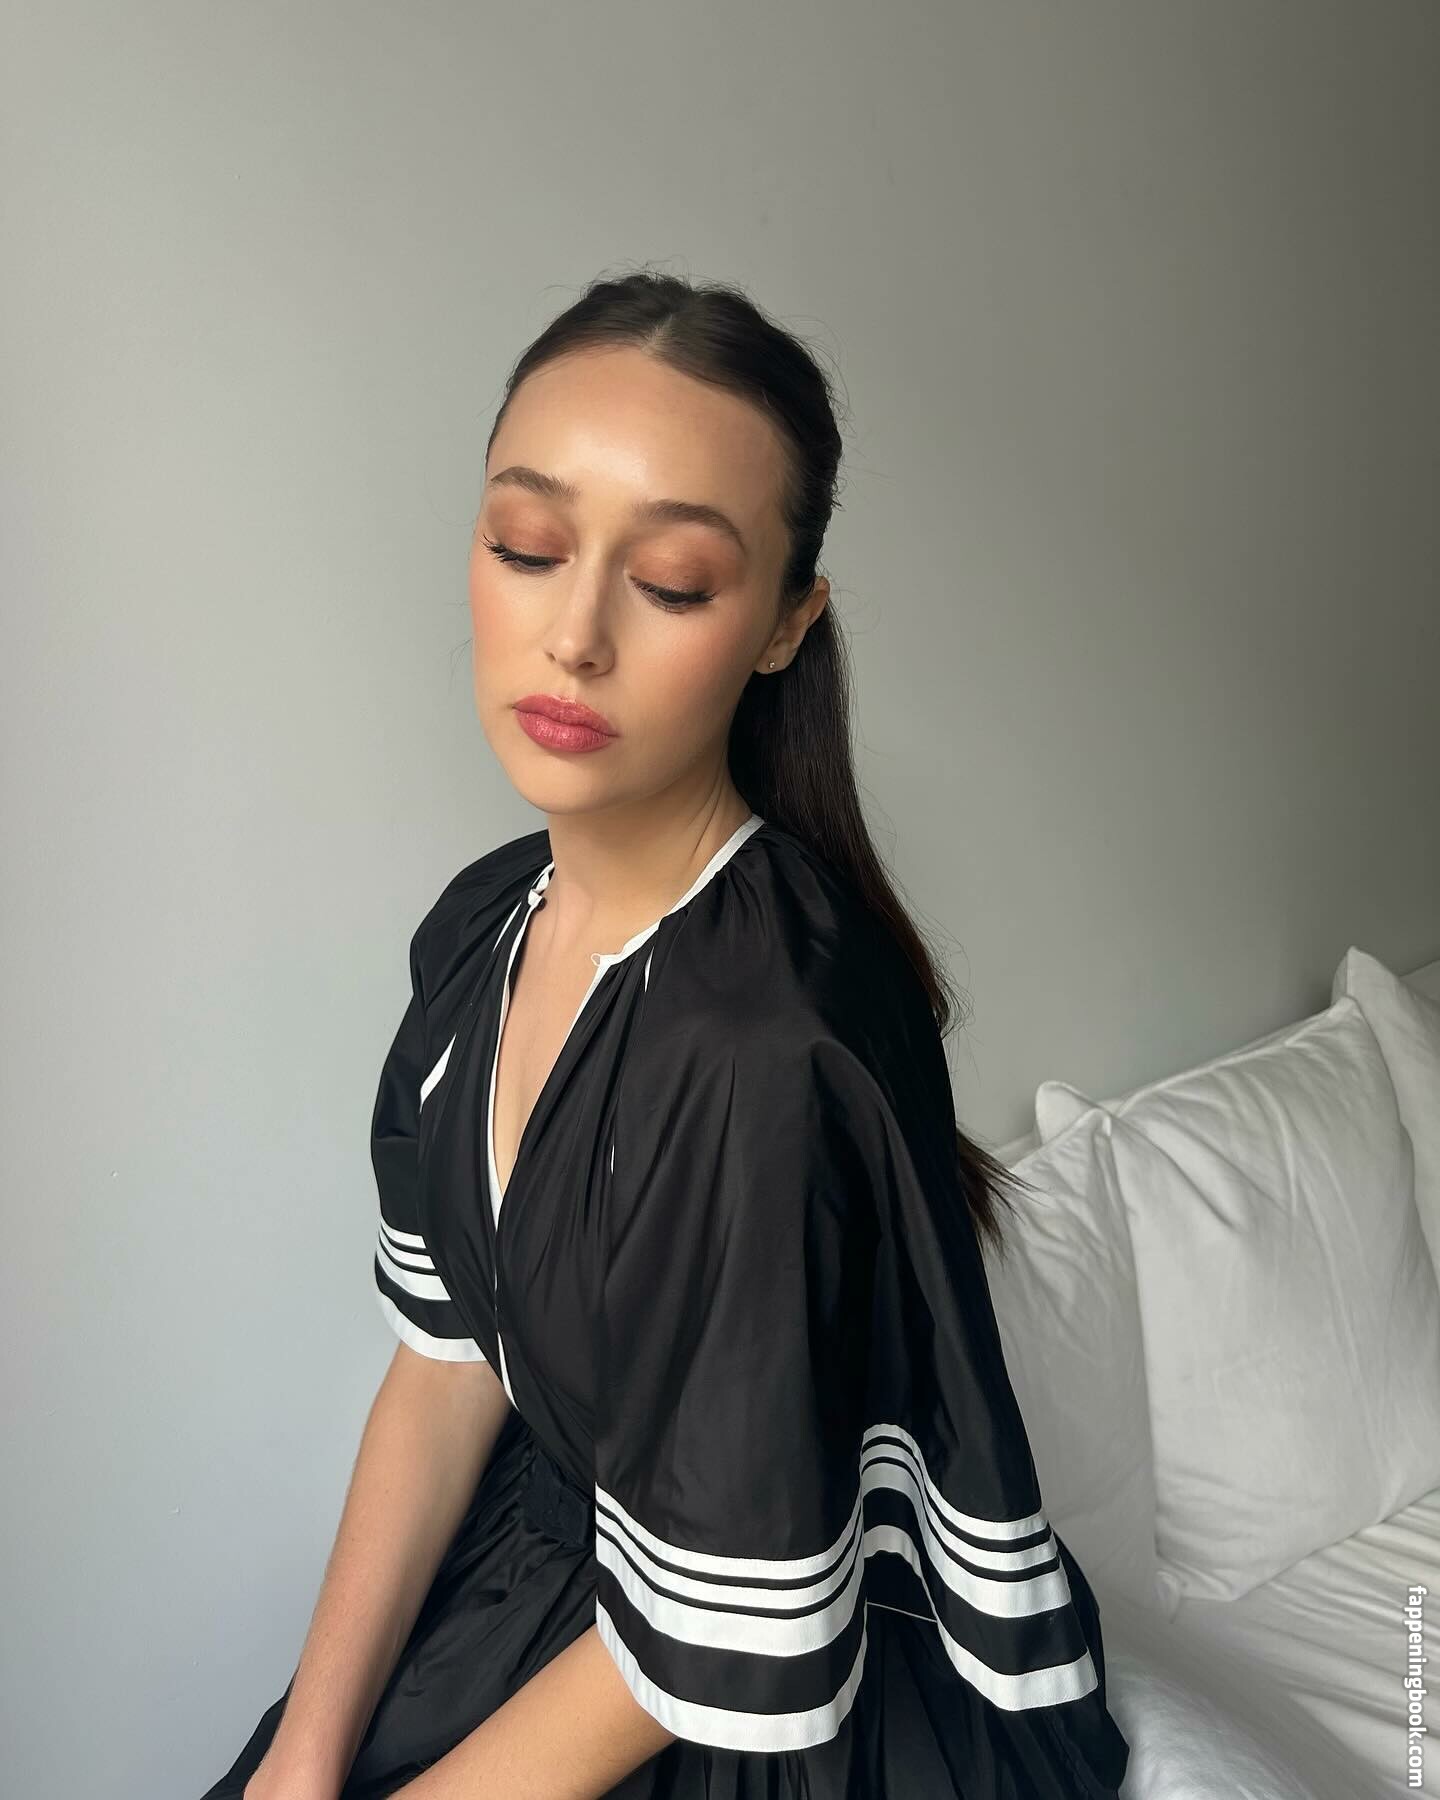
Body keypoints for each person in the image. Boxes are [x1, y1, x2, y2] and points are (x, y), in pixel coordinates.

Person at [202, 269, 1132, 1800]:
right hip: (559, 1578)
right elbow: (446, 1372)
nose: (572, 635)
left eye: (675, 581)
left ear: (783, 624)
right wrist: (300, 1757)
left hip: (747, 1691)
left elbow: (704, 1643)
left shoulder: (768, 1044)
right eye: (527, 546)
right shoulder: (482, 929)